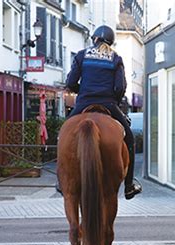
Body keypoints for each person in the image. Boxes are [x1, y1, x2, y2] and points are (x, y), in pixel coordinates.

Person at [62, 25, 142, 200]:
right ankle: (129, 185)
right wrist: (114, 98)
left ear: (95, 39)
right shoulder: (116, 59)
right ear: (110, 42)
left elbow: (71, 81)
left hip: (83, 103)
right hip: (109, 104)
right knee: (129, 137)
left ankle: (61, 179)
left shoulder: (82, 55)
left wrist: (80, 90)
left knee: (63, 135)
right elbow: (120, 87)